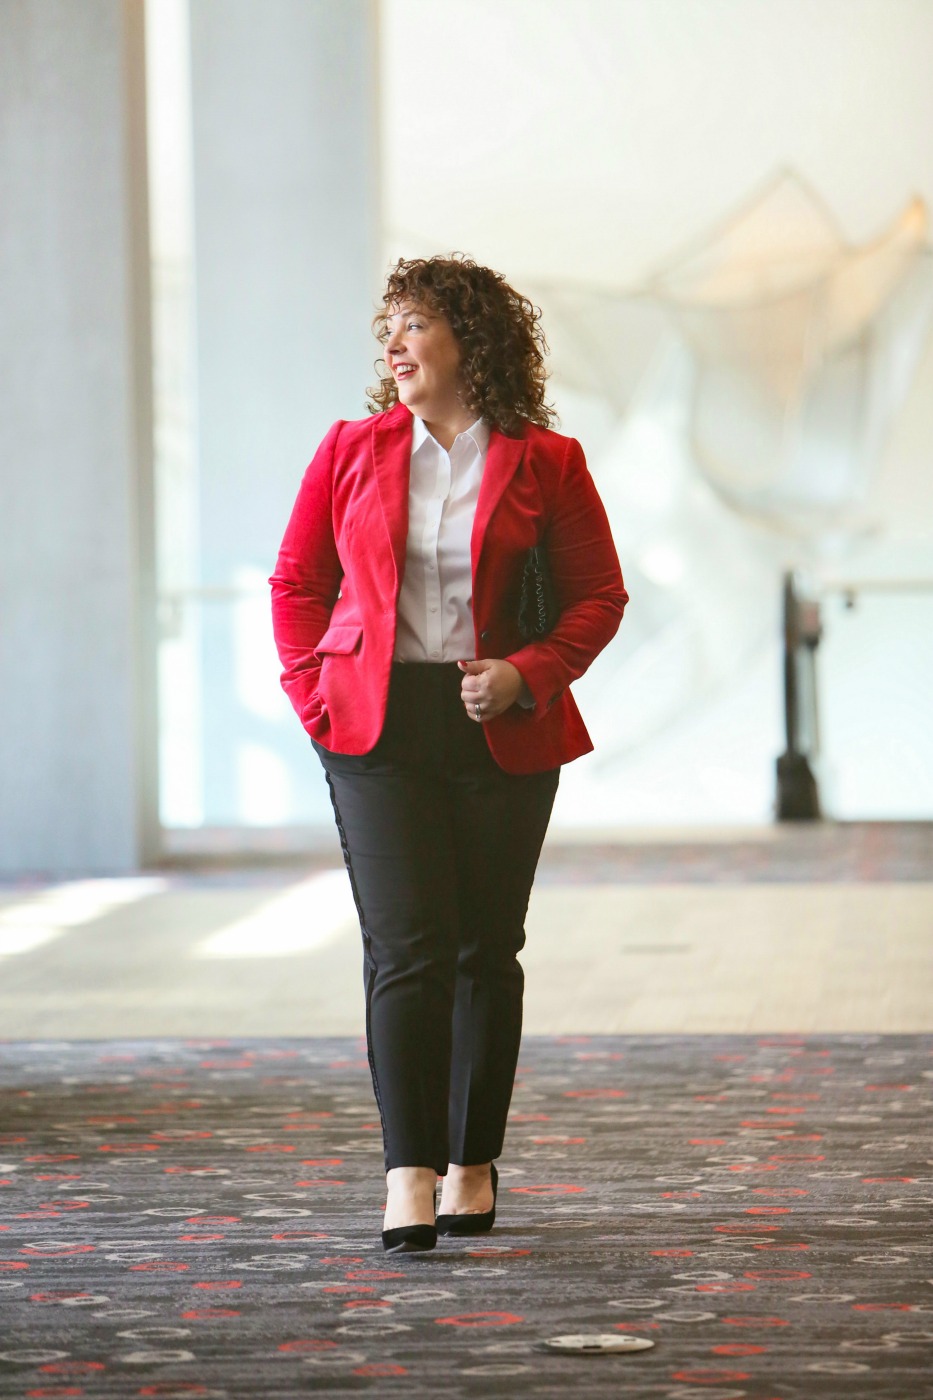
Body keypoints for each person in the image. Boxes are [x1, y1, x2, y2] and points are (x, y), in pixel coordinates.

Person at [270, 254, 628, 1253]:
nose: (394, 340)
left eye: (416, 322)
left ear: (471, 340)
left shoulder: (546, 461)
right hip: (374, 727)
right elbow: (297, 580)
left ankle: (474, 1160)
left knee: (484, 947)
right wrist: (313, 689)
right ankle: (409, 1171)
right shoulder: (350, 448)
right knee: (407, 948)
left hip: (497, 723)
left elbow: (600, 597)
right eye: (388, 323)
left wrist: (527, 670)